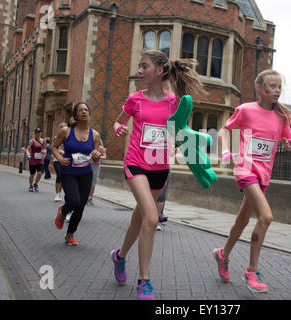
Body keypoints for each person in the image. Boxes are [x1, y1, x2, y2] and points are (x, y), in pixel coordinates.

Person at [110, 49, 204, 300]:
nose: (139, 71)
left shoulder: (175, 102)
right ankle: (144, 281)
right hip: (136, 163)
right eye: (139, 66)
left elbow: (180, 131)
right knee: (151, 218)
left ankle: (120, 257)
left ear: (160, 71)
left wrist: (177, 144)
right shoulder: (135, 99)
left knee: (139, 219)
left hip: (160, 168)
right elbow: (118, 121)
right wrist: (120, 128)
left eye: (144, 66)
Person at [212, 69, 291, 293]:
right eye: (272, 86)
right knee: (266, 217)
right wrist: (227, 151)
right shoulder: (245, 110)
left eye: (279, 87)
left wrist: (288, 142)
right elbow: (223, 130)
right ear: (259, 88)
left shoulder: (282, 116)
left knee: (242, 220)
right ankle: (252, 270)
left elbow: (286, 136)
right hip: (245, 169)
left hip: (264, 174)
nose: (277, 91)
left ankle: (223, 254)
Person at [51, 102, 101, 245]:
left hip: (86, 173)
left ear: (89, 114)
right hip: (69, 172)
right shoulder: (66, 131)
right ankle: (63, 211)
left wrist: (96, 153)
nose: (84, 112)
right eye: (80, 110)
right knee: (73, 201)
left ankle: (70, 234)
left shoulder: (95, 135)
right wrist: (60, 159)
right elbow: (53, 147)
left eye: (86, 110)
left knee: (80, 206)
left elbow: (95, 155)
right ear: (75, 115)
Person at [88, 138, 106, 206]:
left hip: (96, 166)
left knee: (93, 183)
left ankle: (90, 198)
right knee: (86, 182)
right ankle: (85, 197)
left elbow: (105, 156)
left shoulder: (100, 148)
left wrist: (98, 157)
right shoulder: (89, 147)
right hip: (88, 165)